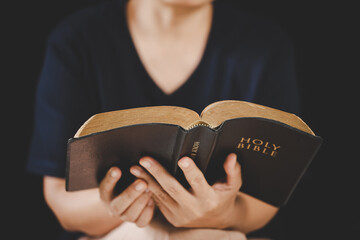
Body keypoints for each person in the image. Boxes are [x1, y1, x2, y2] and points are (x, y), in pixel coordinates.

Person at [27, 0, 299, 239]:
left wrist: (224, 213)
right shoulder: (76, 41)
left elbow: (269, 196)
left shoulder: (265, 47)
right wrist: (116, 208)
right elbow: (60, 198)